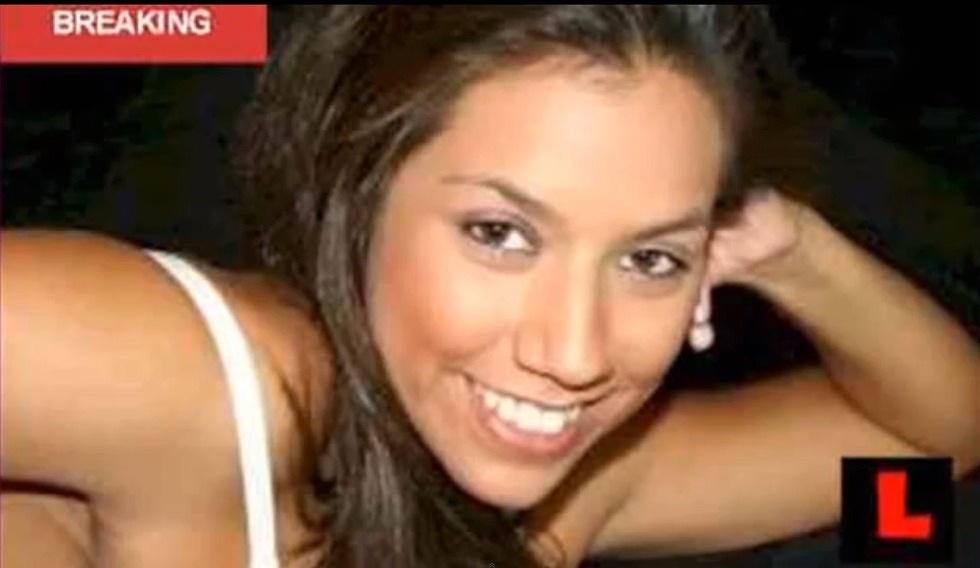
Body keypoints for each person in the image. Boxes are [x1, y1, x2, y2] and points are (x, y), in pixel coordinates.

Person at [2, 5, 978, 568]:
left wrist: (788, 250)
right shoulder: (191, 383)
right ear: (362, 193)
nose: (574, 354)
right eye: (499, 234)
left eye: (649, 259)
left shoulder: (564, 497)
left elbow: (931, 444)